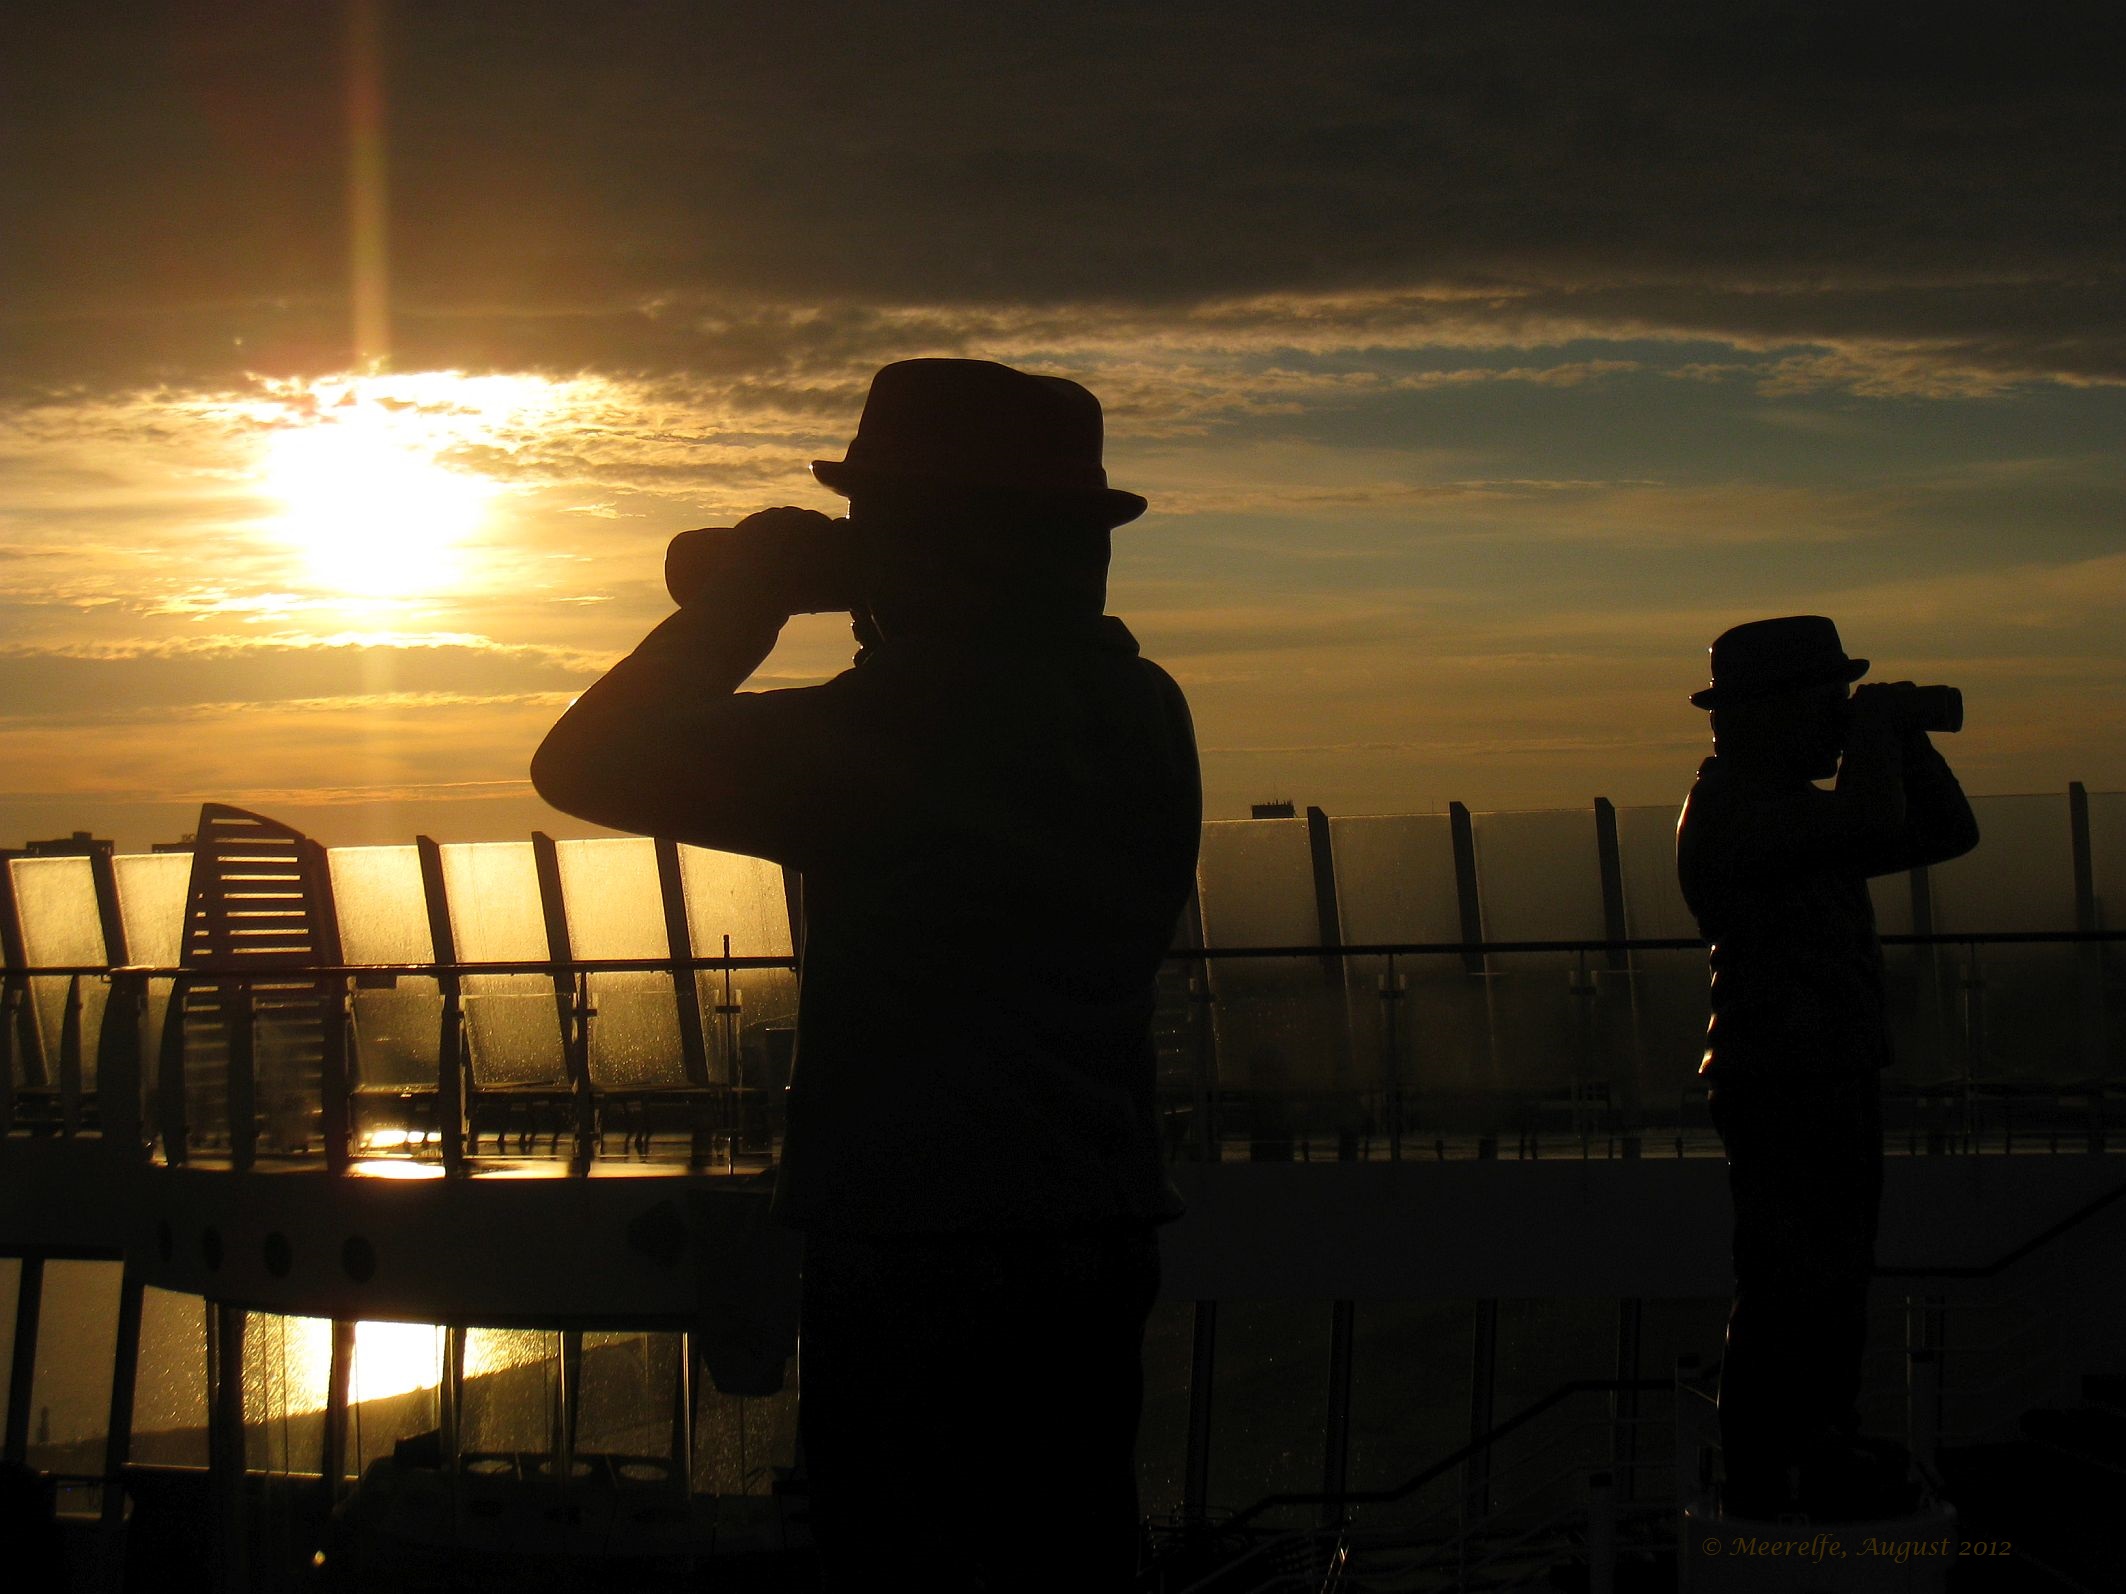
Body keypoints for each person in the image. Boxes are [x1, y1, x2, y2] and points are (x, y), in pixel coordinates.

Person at [531, 358, 1201, 1589]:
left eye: (875, 519)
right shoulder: (1141, 705)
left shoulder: (920, 720)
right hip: (1091, 1222)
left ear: (939, 537)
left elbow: (586, 760)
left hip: (921, 1245)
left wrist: (744, 600)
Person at [1676, 615, 1978, 1521]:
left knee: (1836, 1273)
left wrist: (1901, 738)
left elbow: (1945, 831)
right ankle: (1770, 1457)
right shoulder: (1733, 811)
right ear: (1759, 714)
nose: (1833, 721)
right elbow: (1874, 819)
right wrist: (1878, 733)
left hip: (1827, 1067)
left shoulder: (1796, 811)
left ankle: (1821, 1436)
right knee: (1788, 1277)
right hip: (1779, 1075)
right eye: (1824, 702)